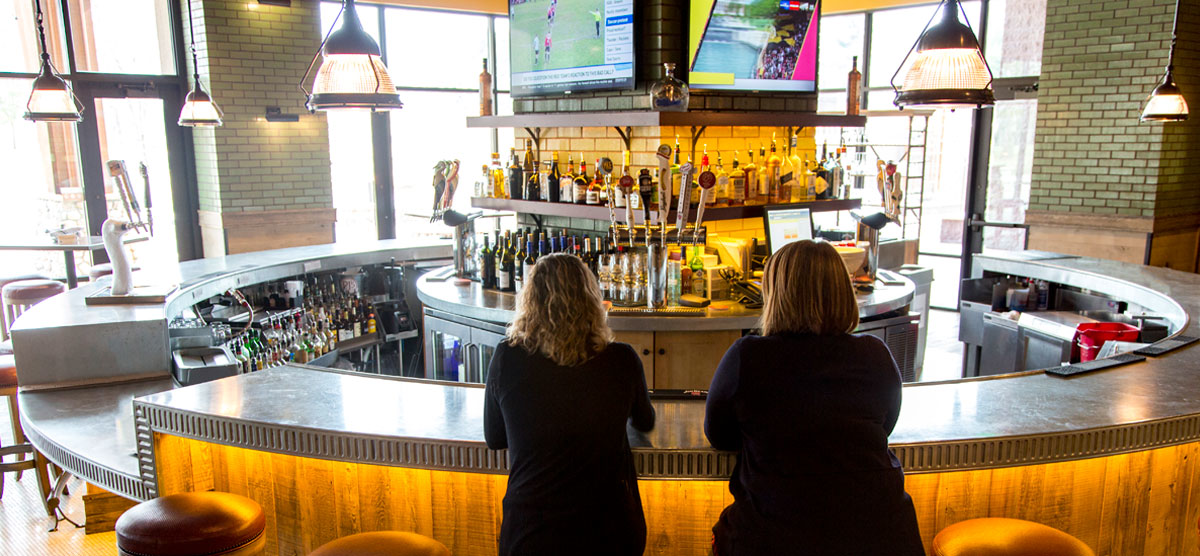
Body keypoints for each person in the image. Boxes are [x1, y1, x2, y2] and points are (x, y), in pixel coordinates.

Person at [704, 240, 923, 556]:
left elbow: (720, 435)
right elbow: (884, 427)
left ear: (775, 294)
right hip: (885, 536)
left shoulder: (748, 357)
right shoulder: (876, 354)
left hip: (776, 536)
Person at [485, 253, 655, 556]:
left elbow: (495, 437)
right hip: (609, 534)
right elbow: (645, 421)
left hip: (532, 534)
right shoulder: (622, 359)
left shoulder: (507, 357)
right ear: (591, 300)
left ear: (531, 301)